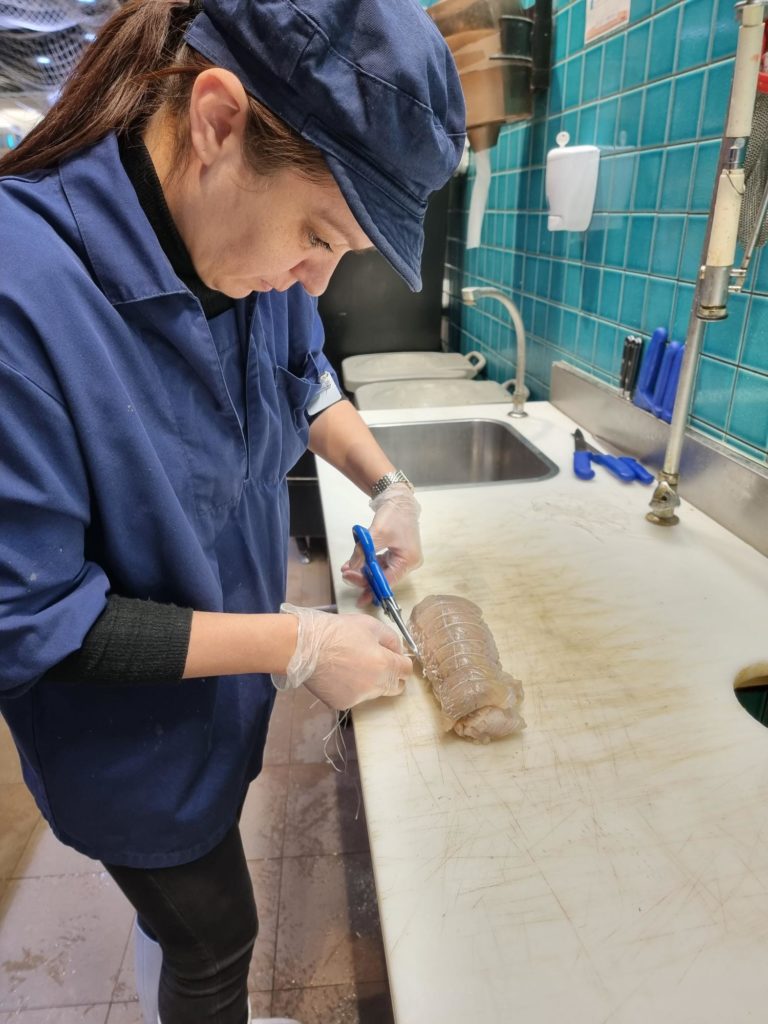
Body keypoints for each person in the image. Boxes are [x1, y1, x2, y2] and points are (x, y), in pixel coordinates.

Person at [0, 0, 464, 1021]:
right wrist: (295, 642)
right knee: (216, 936)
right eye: (317, 234)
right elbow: (30, 622)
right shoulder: (21, 295)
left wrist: (387, 483)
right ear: (216, 121)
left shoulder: (250, 258)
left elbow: (304, 380)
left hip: (219, 708)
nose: (314, 277)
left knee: (182, 922)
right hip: (127, 749)